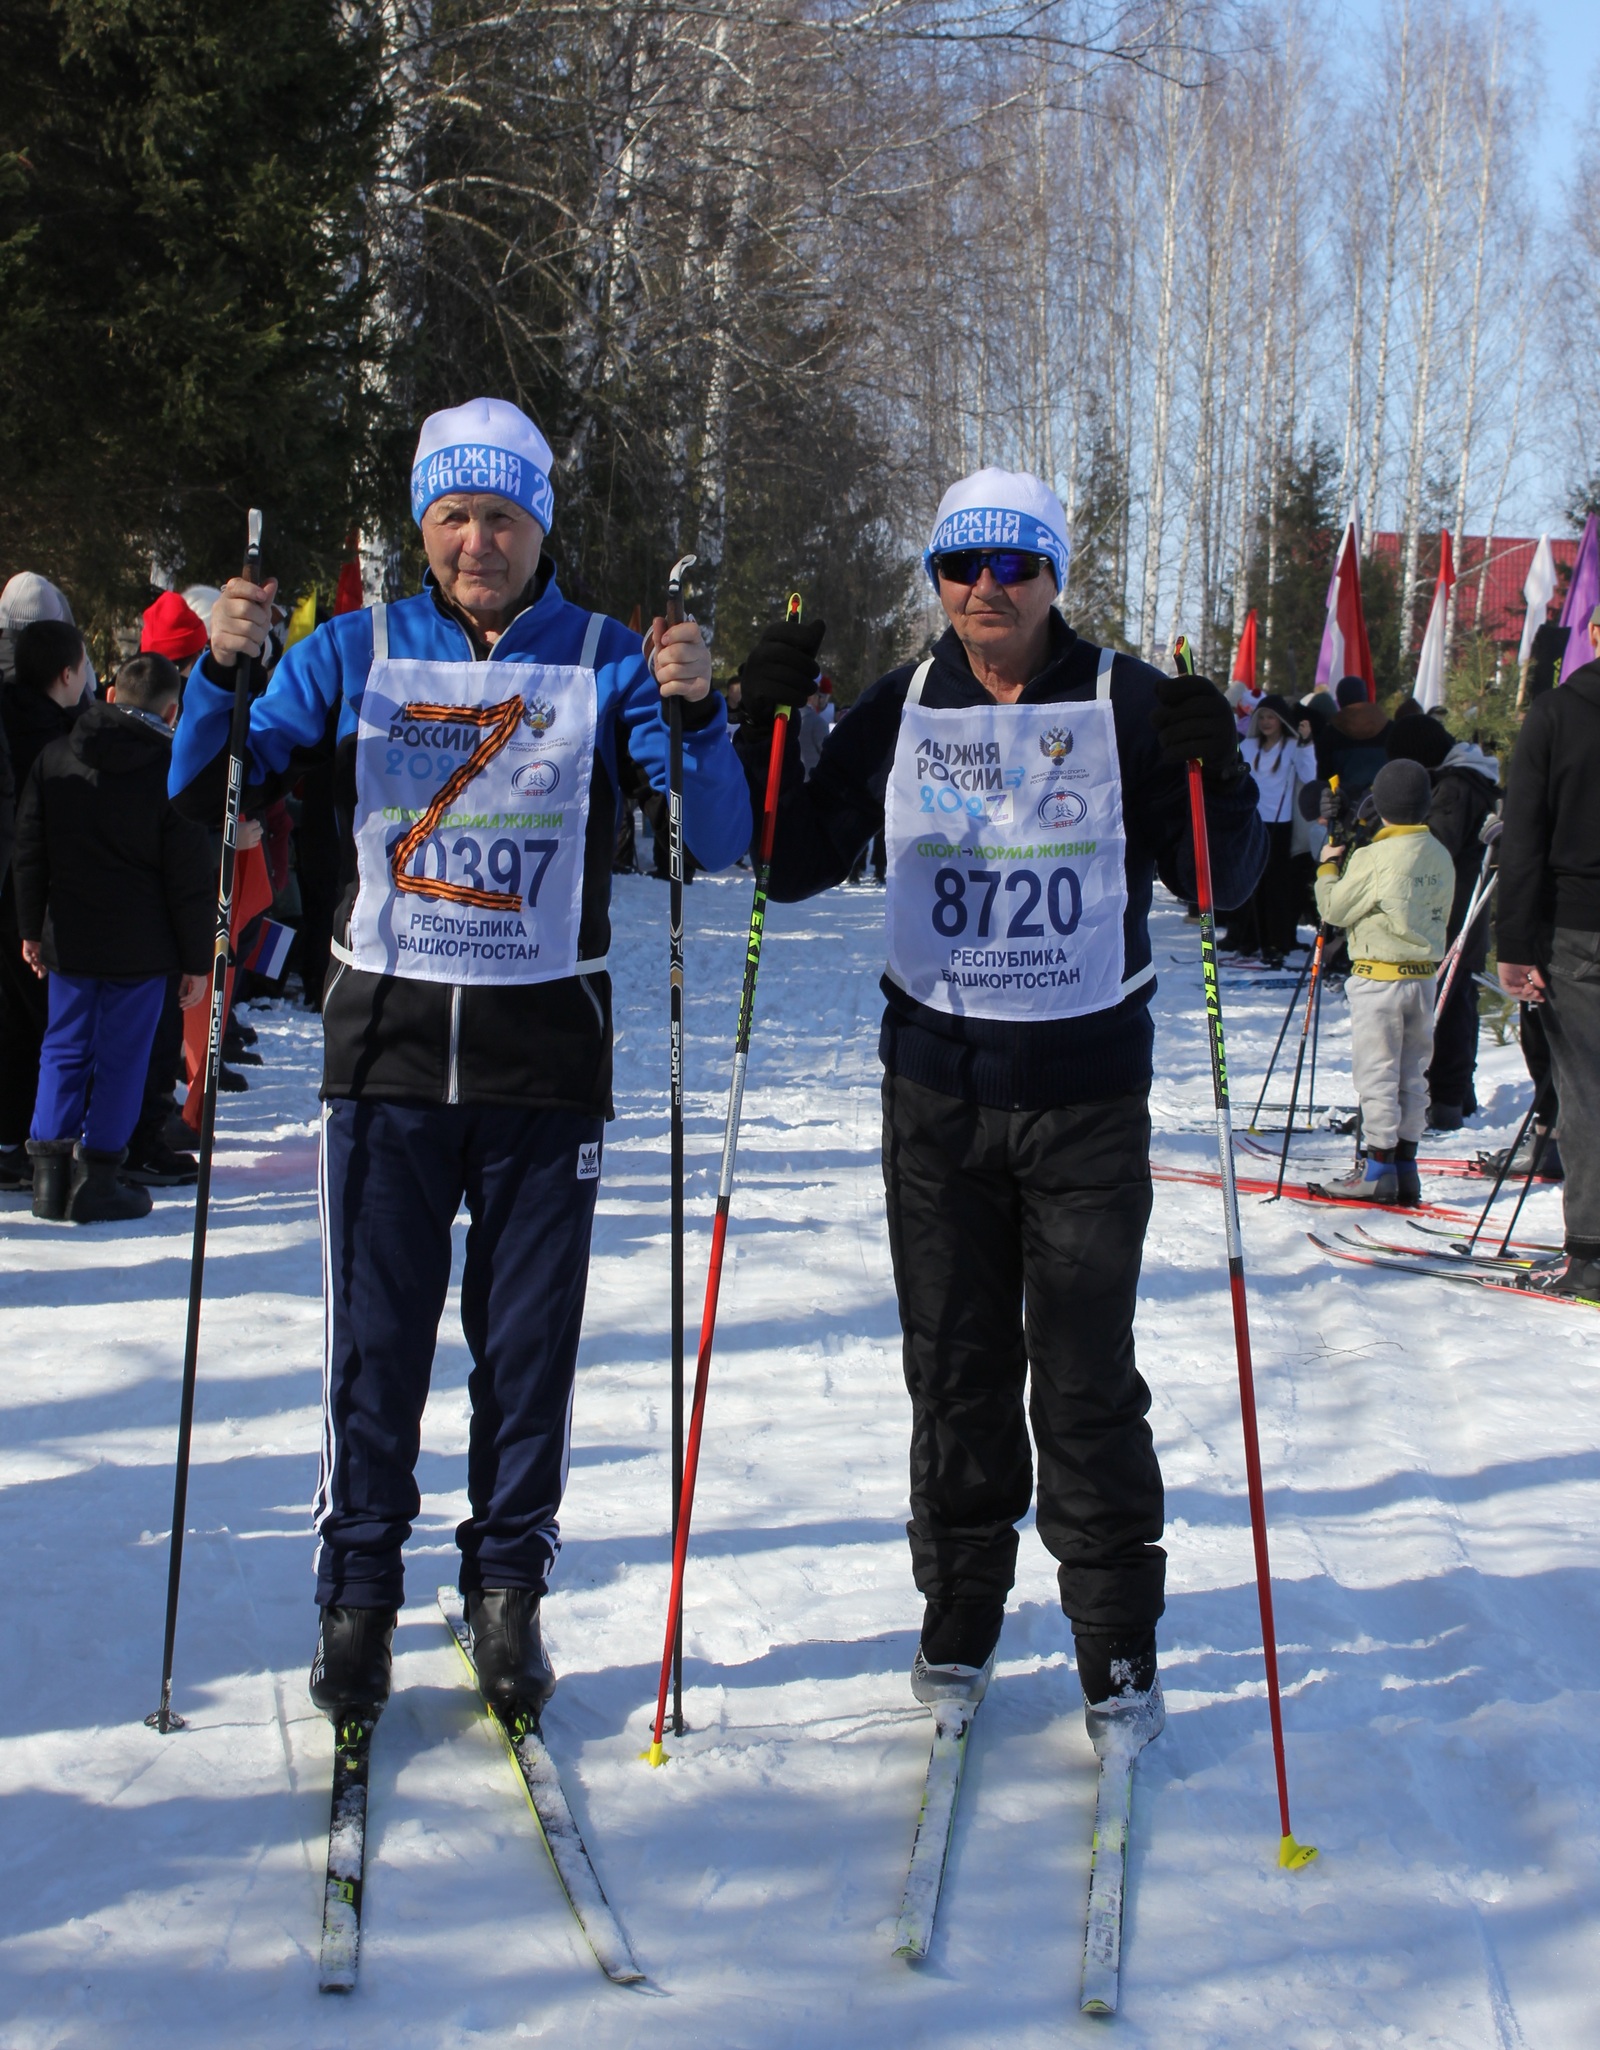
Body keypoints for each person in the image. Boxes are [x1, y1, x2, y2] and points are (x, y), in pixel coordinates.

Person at [169, 395, 752, 1722]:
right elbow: (204, 791)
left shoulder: (604, 654)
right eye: (453, 517)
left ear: (537, 525)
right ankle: (359, 1595)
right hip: (382, 1051)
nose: (477, 541)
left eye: (500, 516)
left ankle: (507, 1592)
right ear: (423, 529)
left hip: (543, 1056)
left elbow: (715, 835)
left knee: (526, 1345)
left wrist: (700, 710)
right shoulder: (354, 648)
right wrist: (223, 672)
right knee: (375, 1347)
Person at [732, 467, 1264, 1735]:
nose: (986, 590)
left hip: (1083, 1096)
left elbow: (1222, 883)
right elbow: (789, 859)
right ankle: (961, 1607)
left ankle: (1113, 1635)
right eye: (959, 568)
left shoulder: (1125, 697)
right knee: (956, 1369)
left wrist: (1217, 770)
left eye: (1012, 567)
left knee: (1084, 1378)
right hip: (936, 1091)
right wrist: (763, 721)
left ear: (1052, 575)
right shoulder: (903, 700)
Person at [13, 653, 211, 1221]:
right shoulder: (175, 769)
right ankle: (99, 1175)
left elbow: (30, 852)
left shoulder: (56, 755)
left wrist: (30, 927)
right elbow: (188, 879)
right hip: (141, 945)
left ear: (108, 692)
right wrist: (196, 959)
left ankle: (49, 1178)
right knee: (124, 1057)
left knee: (63, 1047)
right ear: (173, 710)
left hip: (69, 933)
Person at [1495, 599, 1600, 1298]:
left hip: (1578, 927)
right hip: (1576, 923)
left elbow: (1524, 840)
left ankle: (1592, 1254)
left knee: (1588, 1092)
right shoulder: (1558, 713)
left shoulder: (1557, 713)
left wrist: (1514, 944)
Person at [1313, 759, 1454, 1205]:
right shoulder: (1440, 852)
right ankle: (1406, 1168)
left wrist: (1328, 869)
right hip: (1423, 976)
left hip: (1379, 979)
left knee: (1377, 1075)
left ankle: (1376, 1169)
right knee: (1413, 1075)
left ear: (1383, 805)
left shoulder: (1374, 857)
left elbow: (1335, 910)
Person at [122, 591, 216, 1185]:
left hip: (91, 929)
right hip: (150, 929)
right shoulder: (168, 756)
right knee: (149, 1042)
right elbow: (183, 865)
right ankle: (139, 1141)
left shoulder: (75, 746)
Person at [0, 620, 92, 1189]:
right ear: (66, 674)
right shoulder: (55, 742)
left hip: (21, 892)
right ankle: (19, 1137)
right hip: (31, 898)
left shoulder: (25, 722)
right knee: (33, 1022)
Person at [1424, 736, 1500, 1130]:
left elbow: (1436, 848)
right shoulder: (1466, 778)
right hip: (1457, 910)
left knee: (1448, 1003)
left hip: (1453, 912)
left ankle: (1447, 1099)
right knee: (1456, 1000)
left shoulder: (1456, 785)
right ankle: (1453, 1095)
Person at [1224, 694, 1315, 964]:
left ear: (1281, 720)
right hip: (1252, 822)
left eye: (1271, 717)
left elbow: (1309, 776)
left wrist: (1306, 743)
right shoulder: (1249, 747)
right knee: (1251, 884)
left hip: (1281, 824)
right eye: (1261, 717)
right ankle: (1247, 937)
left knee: (1276, 887)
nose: (1265, 722)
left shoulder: (1292, 746)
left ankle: (1276, 939)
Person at [1315, 675, 1391, 804]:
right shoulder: (1389, 727)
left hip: (1344, 805)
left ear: (1339, 699)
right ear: (1365, 695)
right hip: (1384, 802)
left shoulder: (1330, 732)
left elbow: (1324, 775)